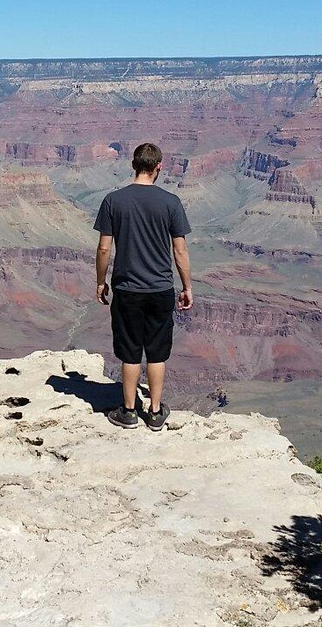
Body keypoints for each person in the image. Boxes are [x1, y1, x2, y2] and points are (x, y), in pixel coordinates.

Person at [94, 142, 192, 431]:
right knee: (157, 351)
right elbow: (180, 251)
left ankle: (127, 412)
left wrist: (101, 282)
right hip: (161, 288)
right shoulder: (171, 202)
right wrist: (187, 286)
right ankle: (155, 412)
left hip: (127, 289)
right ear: (159, 167)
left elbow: (103, 249)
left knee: (130, 350)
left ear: (133, 166)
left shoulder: (114, 201)